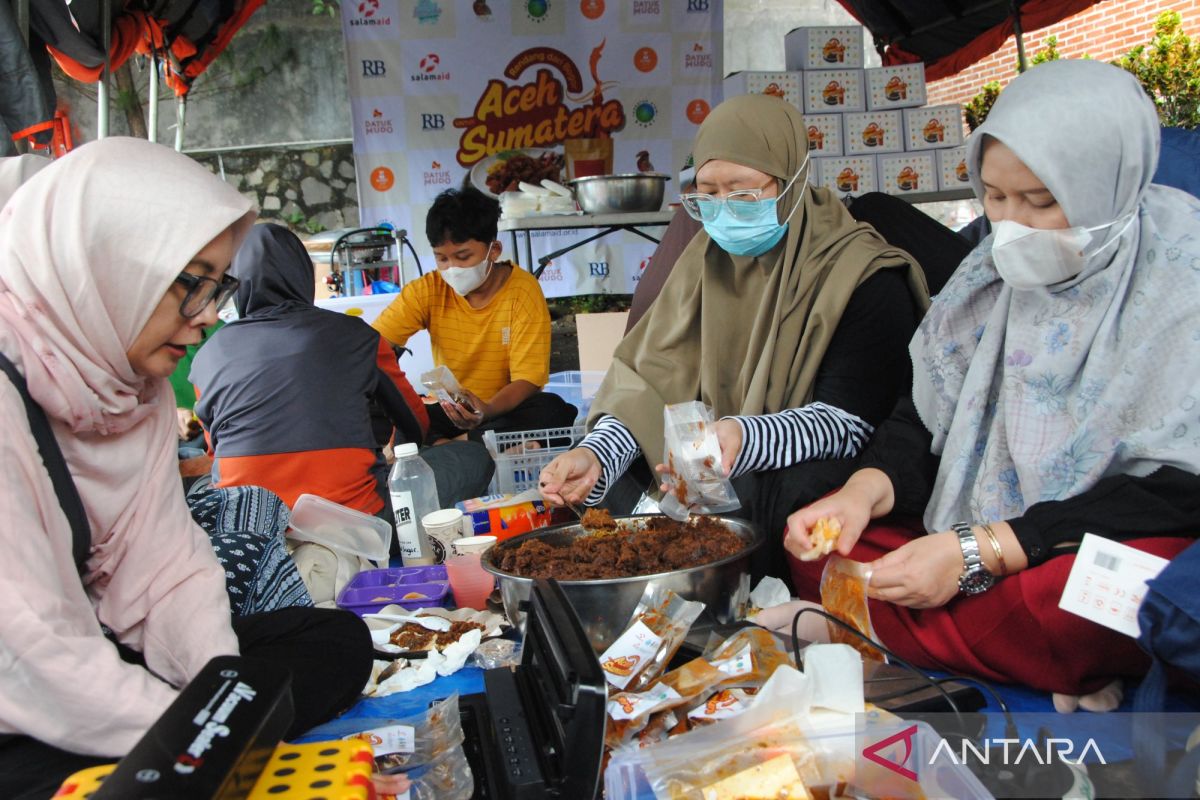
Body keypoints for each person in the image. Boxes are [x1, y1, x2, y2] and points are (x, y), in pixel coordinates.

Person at [782, 60, 1200, 709]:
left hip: (1100, 535)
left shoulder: (1181, 281)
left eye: (1041, 201)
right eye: (996, 198)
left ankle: (867, 623)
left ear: (1108, 185)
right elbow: (926, 421)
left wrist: (988, 549)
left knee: (1105, 600)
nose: (1012, 225)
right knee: (823, 539)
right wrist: (861, 495)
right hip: (977, 525)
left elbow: (1180, 491)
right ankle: (1005, 645)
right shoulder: (987, 276)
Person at [0, 138, 376, 798]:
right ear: (105, 264)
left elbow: (165, 565)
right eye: (190, 284)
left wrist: (219, 695)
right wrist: (205, 735)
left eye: (219, 287)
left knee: (335, 640)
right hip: (23, 692)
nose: (206, 317)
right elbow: (29, 649)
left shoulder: (131, 388)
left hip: (91, 655)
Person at [539, 93, 930, 582]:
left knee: (759, 489)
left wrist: (745, 438)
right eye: (707, 194)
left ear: (792, 180)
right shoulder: (702, 265)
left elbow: (850, 424)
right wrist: (597, 456)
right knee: (622, 490)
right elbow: (647, 384)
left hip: (809, 483)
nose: (723, 211)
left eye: (743, 194)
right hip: (713, 464)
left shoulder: (862, 275)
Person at [190, 223, 494, 522]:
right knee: (473, 457)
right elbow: (416, 424)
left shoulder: (208, 355)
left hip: (249, 527)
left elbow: (217, 453)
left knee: (203, 487)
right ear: (303, 275)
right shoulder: (358, 336)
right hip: (356, 522)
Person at [372, 184, 577, 444]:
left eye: (463, 256)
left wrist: (486, 410)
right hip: (451, 410)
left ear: (494, 250)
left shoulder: (523, 291)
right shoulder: (427, 289)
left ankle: (455, 446)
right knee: (385, 412)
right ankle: (474, 445)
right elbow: (372, 344)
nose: (452, 268)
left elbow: (528, 380)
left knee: (553, 410)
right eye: (442, 259)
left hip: (503, 409)